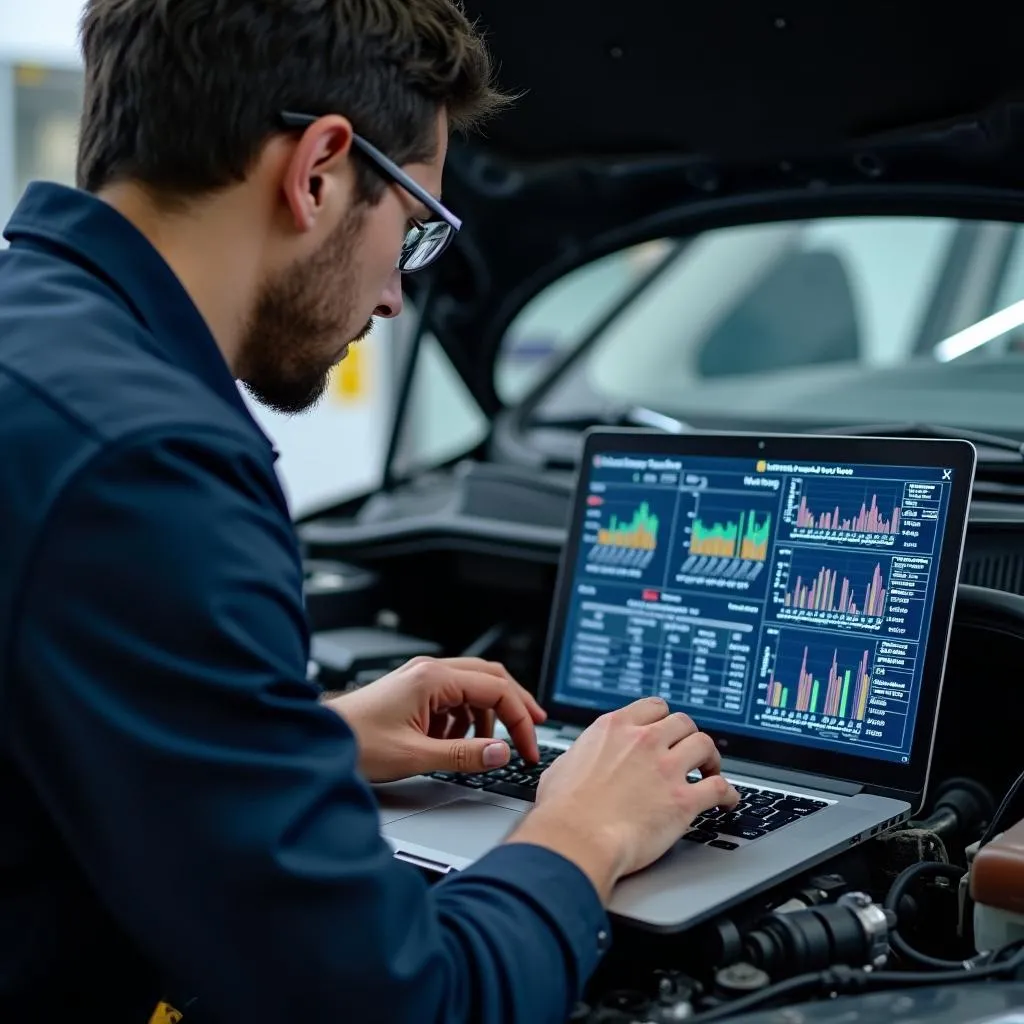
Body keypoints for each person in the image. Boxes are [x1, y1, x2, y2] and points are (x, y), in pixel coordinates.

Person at [0, 1, 740, 1021]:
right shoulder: (148, 463)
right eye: (415, 226)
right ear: (318, 169)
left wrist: (305, 739)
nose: (396, 296)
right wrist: (585, 830)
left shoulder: (35, 354)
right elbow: (393, 1003)